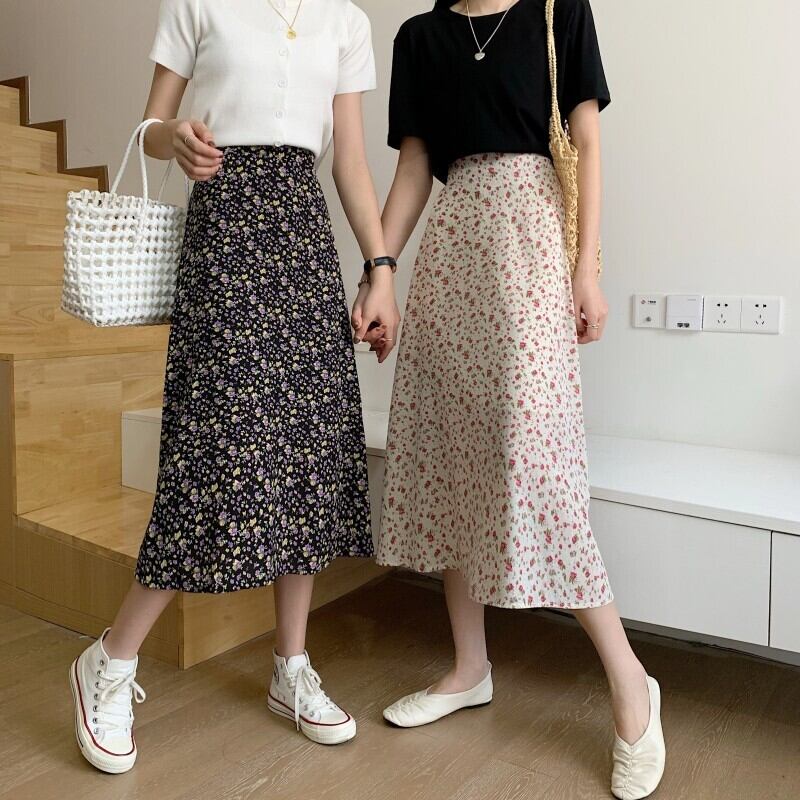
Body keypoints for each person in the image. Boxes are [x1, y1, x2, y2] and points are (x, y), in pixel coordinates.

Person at [69, 0, 400, 774]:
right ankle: (110, 659)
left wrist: (380, 268)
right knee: (211, 451)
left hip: (302, 238)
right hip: (223, 231)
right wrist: (176, 138)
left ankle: (291, 666)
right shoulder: (199, 3)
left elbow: (350, 160)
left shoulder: (346, 23)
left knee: (308, 450)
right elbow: (150, 127)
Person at [357, 1, 666, 798]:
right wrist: (380, 272)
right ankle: (469, 667)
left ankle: (631, 681)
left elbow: (586, 141)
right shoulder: (421, 38)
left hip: (531, 242)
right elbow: (416, 165)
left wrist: (586, 269)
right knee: (454, 453)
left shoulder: (559, 11)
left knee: (538, 464)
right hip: (453, 252)